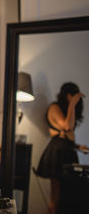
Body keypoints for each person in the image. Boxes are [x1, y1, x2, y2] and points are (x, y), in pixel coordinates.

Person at [36, 82, 88, 214]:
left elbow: (67, 134)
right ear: (68, 95)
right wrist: (72, 103)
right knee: (56, 196)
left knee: (67, 194)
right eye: (73, 96)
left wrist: (77, 146)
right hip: (57, 153)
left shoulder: (66, 111)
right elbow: (67, 127)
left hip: (67, 151)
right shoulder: (54, 107)